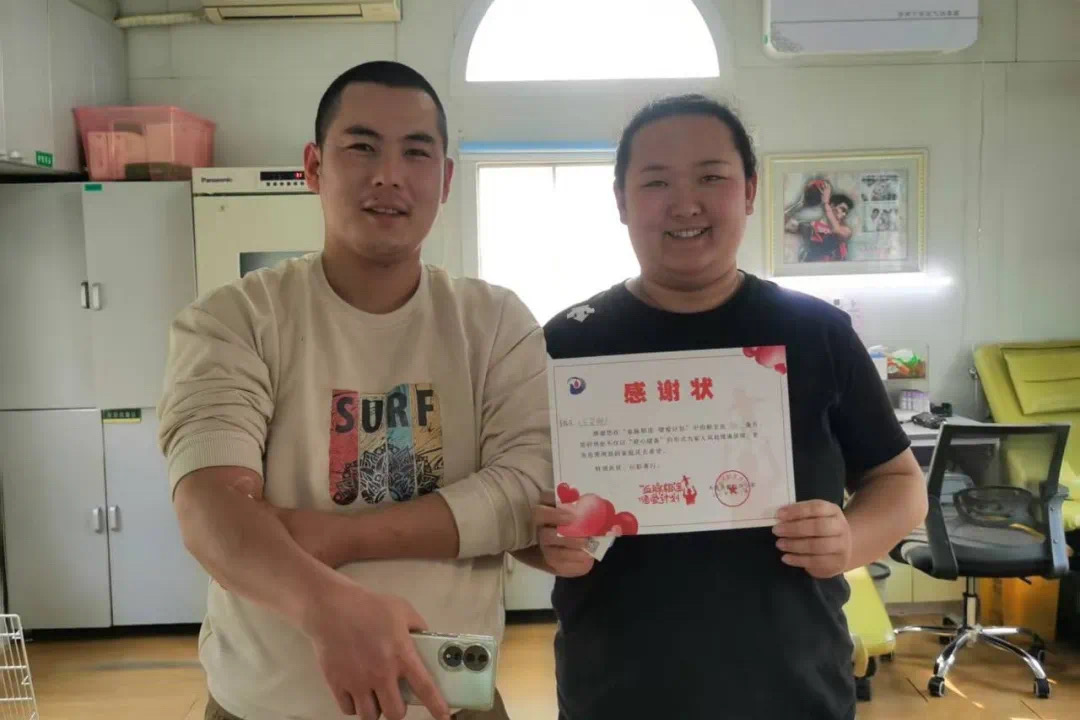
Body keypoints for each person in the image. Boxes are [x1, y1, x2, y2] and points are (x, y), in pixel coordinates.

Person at [157, 61, 551, 720]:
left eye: (416, 152)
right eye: (362, 147)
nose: (388, 175)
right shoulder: (234, 320)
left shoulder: (495, 323)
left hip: (454, 703)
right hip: (266, 708)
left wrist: (339, 537)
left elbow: (524, 494)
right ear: (314, 167)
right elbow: (210, 507)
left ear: (445, 179)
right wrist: (329, 608)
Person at [529, 95, 928, 719]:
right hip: (616, 690)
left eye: (711, 177)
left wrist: (849, 538)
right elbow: (517, 505)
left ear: (749, 191)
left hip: (792, 689)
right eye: (656, 181)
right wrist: (540, 543)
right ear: (621, 201)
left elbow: (899, 482)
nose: (684, 203)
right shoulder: (567, 343)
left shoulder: (817, 332)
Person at [784, 179, 855, 262]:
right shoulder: (811, 226)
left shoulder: (846, 231)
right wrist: (801, 204)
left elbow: (836, 230)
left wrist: (825, 203)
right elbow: (780, 223)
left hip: (835, 269)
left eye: (846, 212)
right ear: (832, 206)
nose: (844, 214)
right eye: (842, 209)